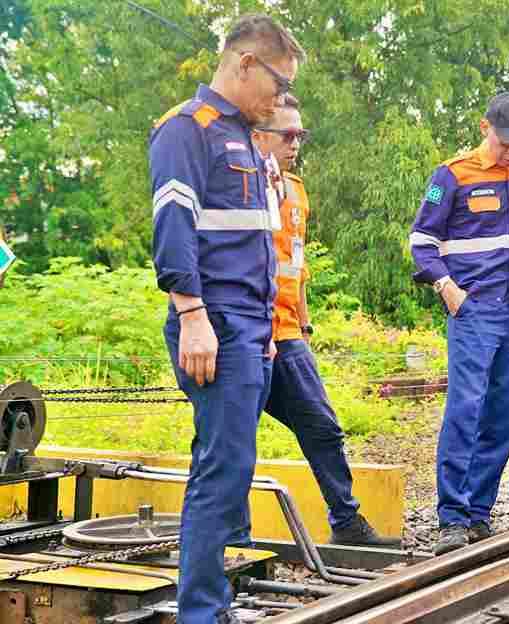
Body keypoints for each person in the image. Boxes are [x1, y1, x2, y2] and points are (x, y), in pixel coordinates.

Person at [149, 14, 304, 624]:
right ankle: (203, 612)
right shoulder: (188, 131)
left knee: (227, 463)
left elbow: (257, 247)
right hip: (214, 323)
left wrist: (266, 331)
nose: (280, 97)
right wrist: (191, 315)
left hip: (248, 328)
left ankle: (211, 601)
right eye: (276, 81)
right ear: (244, 64)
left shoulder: (245, 138)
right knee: (223, 468)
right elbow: (174, 229)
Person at [248, 94, 399, 546]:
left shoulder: (295, 190)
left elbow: (296, 266)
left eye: (300, 135)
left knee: (322, 425)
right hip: (246, 335)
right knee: (234, 439)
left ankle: (346, 522)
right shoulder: (238, 185)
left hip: (289, 333)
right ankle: (232, 536)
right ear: (258, 137)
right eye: (287, 134)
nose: (296, 143)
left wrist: (305, 327)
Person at [409, 92, 509, 555]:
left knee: (506, 414)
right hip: (475, 309)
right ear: (483, 127)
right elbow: (421, 242)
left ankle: (478, 511)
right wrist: (447, 288)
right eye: (508, 141)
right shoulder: (452, 175)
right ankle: (451, 515)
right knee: (466, 408)